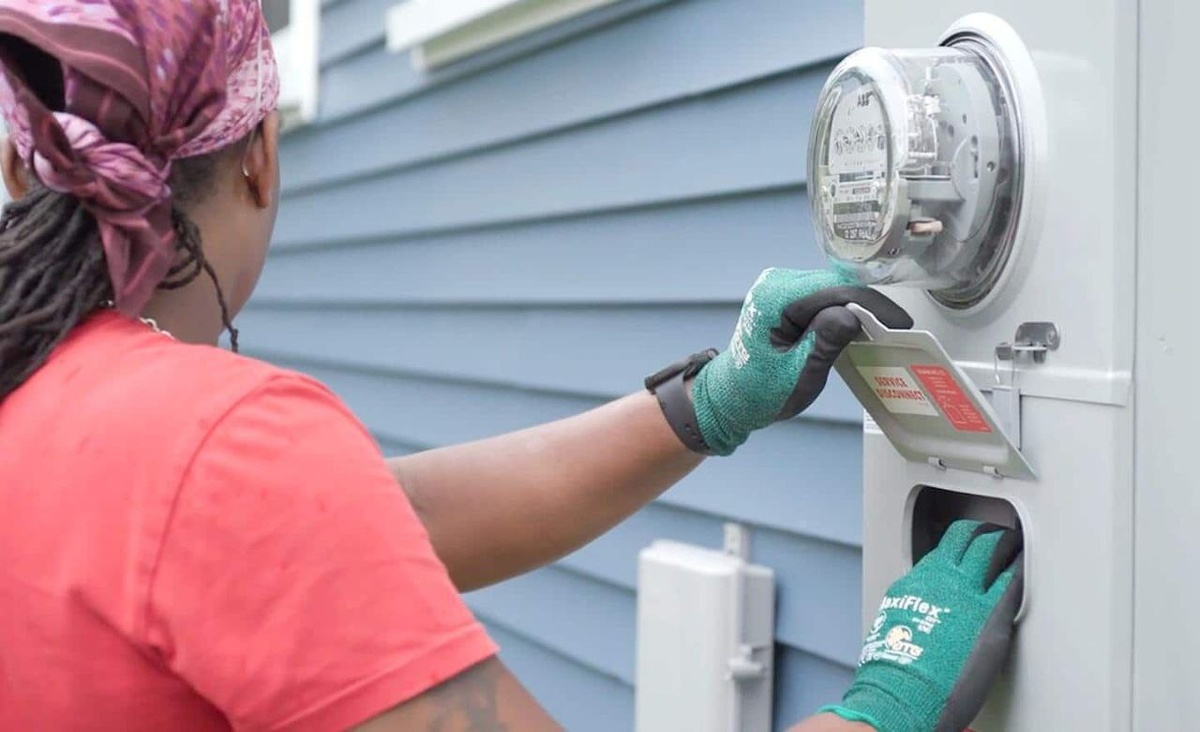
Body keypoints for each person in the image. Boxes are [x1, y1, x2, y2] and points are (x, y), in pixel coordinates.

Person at [0, 1, 1023, 730]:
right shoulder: (213, 446)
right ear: (259, 153)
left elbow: (365, 527)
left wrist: (703, 406)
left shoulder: (46, 402)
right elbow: (276, 518)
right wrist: (880, 713)